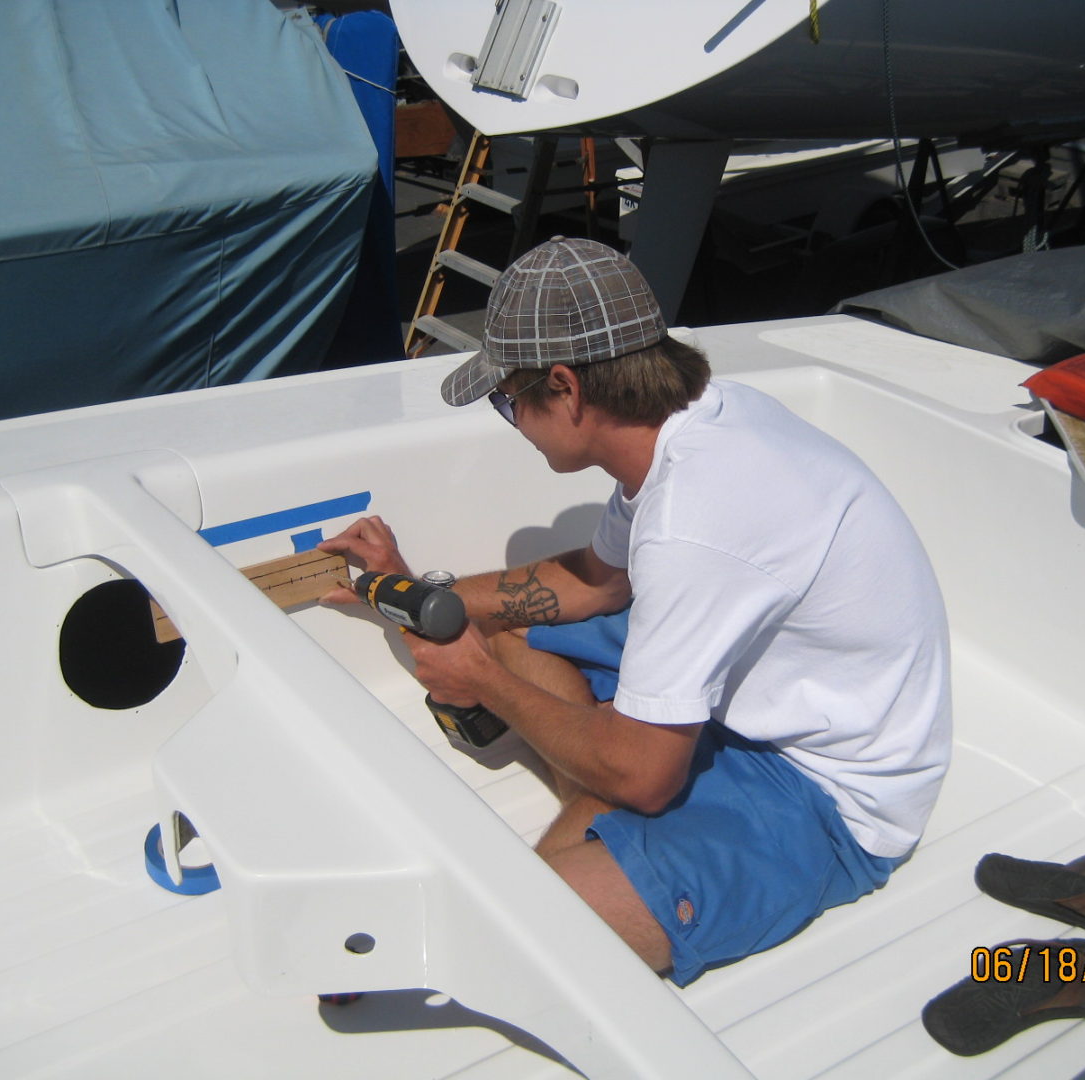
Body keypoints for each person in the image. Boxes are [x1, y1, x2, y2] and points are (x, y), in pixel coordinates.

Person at [320, 237, 951, 986]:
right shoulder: (700, 421)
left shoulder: (696, 516)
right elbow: (596, 582)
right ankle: (599, 793)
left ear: (566, 388)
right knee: (506, 626)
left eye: (507, 399)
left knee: (533, 926)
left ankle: (604, 804)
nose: (511, 420)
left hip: (824, 790)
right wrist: (415, 590)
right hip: (749, 698)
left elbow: (647, 777)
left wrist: (482, 681)